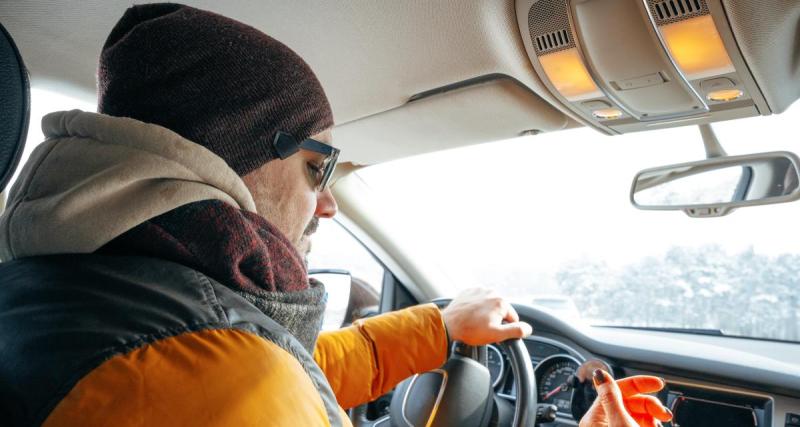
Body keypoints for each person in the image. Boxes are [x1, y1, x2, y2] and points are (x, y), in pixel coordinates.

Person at [0, 4, 671, 426]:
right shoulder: (225, 382)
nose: (328, 201)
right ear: (239, 157)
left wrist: (438, 327)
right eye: (318, 166)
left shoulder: (77, 287)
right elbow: (255, 372)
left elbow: (294, 360)